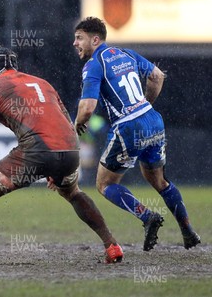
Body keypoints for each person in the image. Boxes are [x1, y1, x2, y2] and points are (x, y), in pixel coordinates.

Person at [0, 46, 123, 267]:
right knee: (73, 192)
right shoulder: (43, 83)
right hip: (70, 148)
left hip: (36, 150)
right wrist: (58, 163)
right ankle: (112, 246)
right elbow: (67, 121)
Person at [72, 17, 200, 251]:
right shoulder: (126, 54)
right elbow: (157, 76)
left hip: (129, 126)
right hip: (152, 120)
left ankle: (147, 216)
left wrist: (77, 125)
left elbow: (87, 108)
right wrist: (144, 104)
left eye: (79, 37)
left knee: (104, 184)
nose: (75, 43)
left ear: (95, 39)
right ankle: (188, 231)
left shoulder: (94, 64)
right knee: (159, 181)